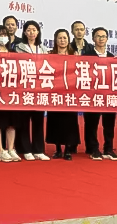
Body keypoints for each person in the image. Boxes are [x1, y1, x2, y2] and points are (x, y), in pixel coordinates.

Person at [83, 27, 117, 161]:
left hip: (108, 95)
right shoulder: (87, 55)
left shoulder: (112, 57)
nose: (101, 39)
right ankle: (93, 148)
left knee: (109, 123)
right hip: (92, 95)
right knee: (91, 123)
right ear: (93, 39)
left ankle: (108, 148)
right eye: (98, 36)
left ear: (107, 39)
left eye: (103, 36)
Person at [14, 21, 50, 161]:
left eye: (34, 30)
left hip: (39, 89)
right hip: (24, 87)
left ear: (38, 32)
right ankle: (25, 149)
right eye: (28, 30)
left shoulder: (43, 49)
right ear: (24, 32)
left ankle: (38, 149)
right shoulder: (18, 48)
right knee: (24, 120)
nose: (31, 32)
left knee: (38, 120)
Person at [45, 29, 80, 161]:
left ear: (68, 40)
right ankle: (58, 149)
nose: (62, 40)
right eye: (60, 38)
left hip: (70, 93)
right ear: (55, 40)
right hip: (54, 92)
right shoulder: (50, 54)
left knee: (69, 122)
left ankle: (68, 150)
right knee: (55, 121)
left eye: (65, 38)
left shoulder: (74, 54)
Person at [0, 25, 21, 163]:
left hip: (11, 93)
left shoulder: (14, 53)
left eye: (5, 35)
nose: (3, 37)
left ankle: (11, 149)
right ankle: (0, 150)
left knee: (11, 122)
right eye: (0, 35)